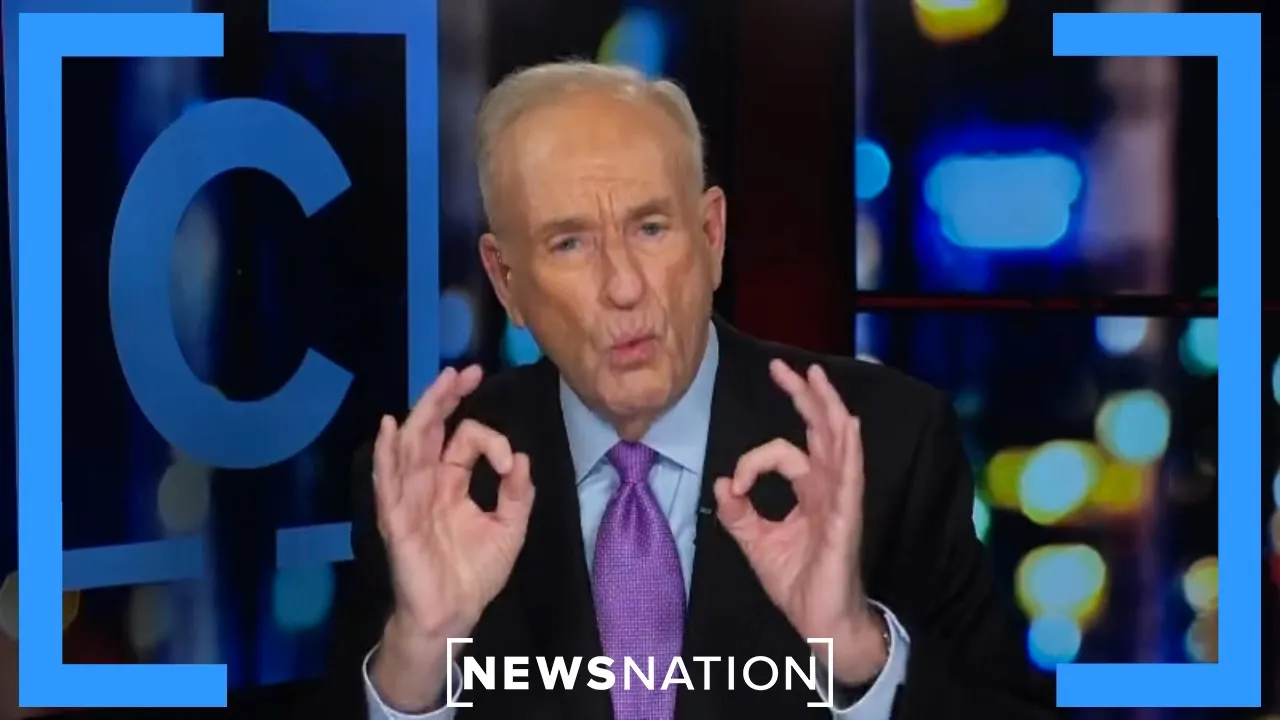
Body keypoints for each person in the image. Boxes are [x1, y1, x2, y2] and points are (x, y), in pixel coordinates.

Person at [319, 61, 1057, 719]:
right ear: (506, 281)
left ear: (711, 235)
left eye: (650, 228)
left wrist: (856, 649)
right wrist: (419, 659)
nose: (623, 286)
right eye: (569, 243)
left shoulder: (890, 447)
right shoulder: (428, 488)